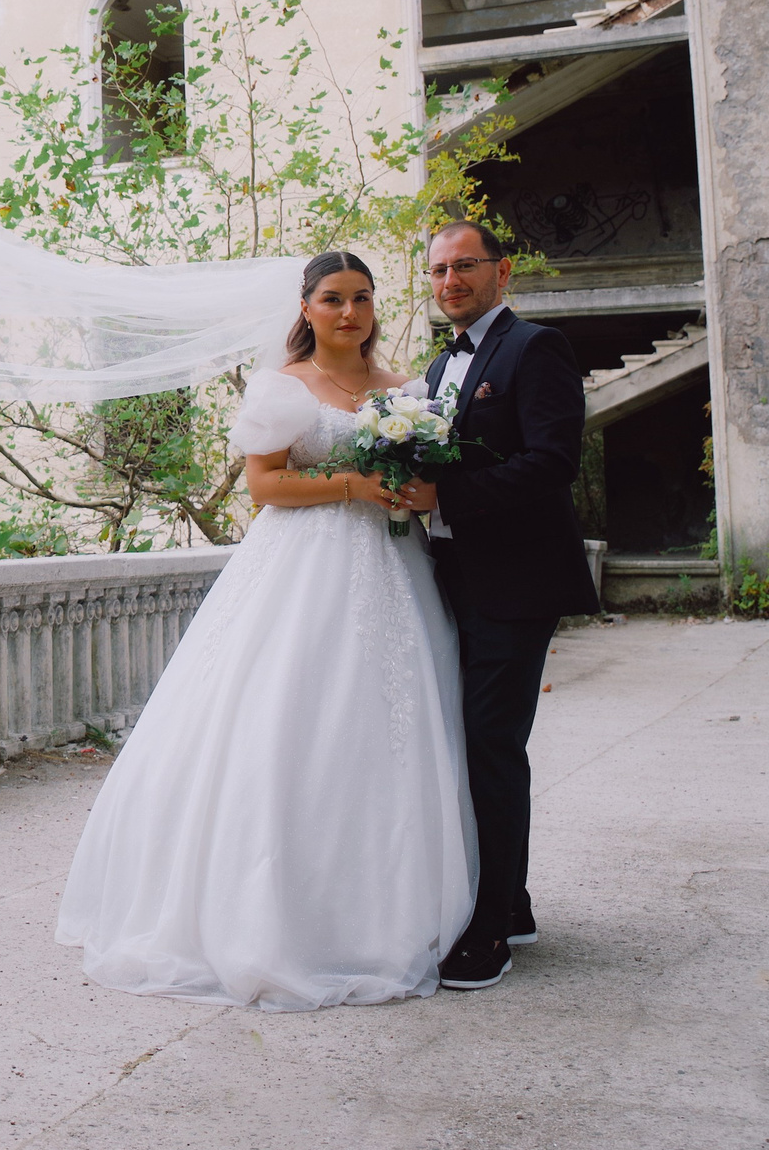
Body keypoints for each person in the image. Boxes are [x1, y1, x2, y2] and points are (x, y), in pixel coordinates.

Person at [56, 251, 477, 1010]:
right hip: (302, 569)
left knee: (388, 730)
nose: (349, 312)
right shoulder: (285, 387)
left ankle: (384, 909)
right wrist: (352, 483)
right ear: (307, 308)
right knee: (288, 724)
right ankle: (269, 914)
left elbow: (428, 480)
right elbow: (265, 484)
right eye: (333, 299)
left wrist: (412, 492)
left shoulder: (405, 389)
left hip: (396, 574)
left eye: (361, 297)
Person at [421, 219, 601, 990]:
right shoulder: (436, 366)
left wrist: (448, 495)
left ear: (503, 271)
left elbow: (554, 460)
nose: (450, 281)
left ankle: (489, 928)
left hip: (519, 582)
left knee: (492, 744)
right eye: (437, 270)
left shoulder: (536, 348)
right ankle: (514, 901)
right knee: (466, 743)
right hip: (450, 579)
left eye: (465, 265)